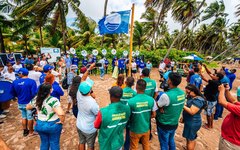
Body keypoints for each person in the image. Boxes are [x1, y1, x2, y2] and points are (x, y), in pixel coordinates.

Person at [27, 83, 65, 150]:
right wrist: (62, 121)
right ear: (50, 90)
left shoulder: (36, 99)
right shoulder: (53, 100)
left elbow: (27, 107)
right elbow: (61, 114)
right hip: (52, 124)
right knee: (54, 143)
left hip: (40, 124)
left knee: (44, 142)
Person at [156, 72, 185, 150]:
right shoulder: (182, 93)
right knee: (171, 140)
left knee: (164, 143)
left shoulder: (166, 96)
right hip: (174, 122)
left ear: (170, 81)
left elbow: (158, 105)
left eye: (168, 78)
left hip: (164, 123)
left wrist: (159, 106)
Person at [128, 79, 157, 150]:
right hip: (146, 128)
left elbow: (128, 116)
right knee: (146, 146)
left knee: (134, 147)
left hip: (135, 129)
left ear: (136, 87)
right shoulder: (151, 100)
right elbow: (154, 115)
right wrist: (145, 117)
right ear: (145, 88)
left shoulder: (130, 101)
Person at [11, 68, 37, 136]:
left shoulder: (15, 82)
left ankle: (25, 131)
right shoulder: (32, 82)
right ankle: (31, 132)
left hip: (20, 102)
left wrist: (17, 96)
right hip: (29, 102)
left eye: (19, 73)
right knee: (30, 117)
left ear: (21, 74)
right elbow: (34, 93)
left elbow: (12, 93)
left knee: (23, 116)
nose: (18, 74)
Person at [76, 79, 99, 150]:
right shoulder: (92, 103)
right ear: (89, 90)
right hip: (89, 128)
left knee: (81, 142)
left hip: (79, 124)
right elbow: (98, 114)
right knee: (90, 146)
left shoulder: (78, 94)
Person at [182, 84, 206, 150]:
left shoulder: (198, 101)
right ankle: (188, 147)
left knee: (190, 139)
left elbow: (192, 112)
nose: (187, 94)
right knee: (190, 137)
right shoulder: (192, 97)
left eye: (188, 92)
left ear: (194, 91)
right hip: (190, 121)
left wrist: (182, 105)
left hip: (192, 122)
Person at [218, 84, 240, 149]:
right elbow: (234, 101)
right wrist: (227, 90)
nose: (238, 97)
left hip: (230, 143)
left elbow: (221, 101)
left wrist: (221, 91)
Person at [121, 77, 137, 150]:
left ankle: (119, 146)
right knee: (128, 132)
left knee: (120, 131)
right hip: (130, 116)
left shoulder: (121, 91)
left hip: (121, 115)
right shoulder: (134, 93)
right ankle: (126, 147)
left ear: (125, 83)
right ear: (133, 84)